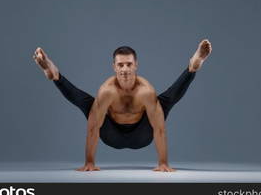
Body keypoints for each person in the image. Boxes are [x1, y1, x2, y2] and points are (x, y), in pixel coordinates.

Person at [33, 39, 212, 172]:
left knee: (163, 102)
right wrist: (89, 162)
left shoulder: (146, 90)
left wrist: (163, 163)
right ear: (114, 67)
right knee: (88, 103)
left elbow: (159, 129)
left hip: (142, 135)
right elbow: (93, 128)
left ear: (136, 66)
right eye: (120, 64)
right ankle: (54, 74)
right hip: (112, 135)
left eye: (129, 64)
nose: (125, 69)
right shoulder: (107, 90)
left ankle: (193, 66)